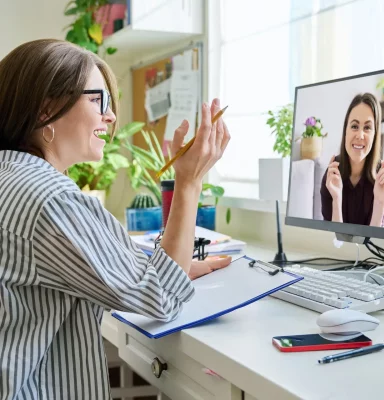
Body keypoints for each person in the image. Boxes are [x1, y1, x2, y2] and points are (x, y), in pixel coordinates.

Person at [0, 39, 231, 400]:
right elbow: (160, 298)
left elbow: (103, 262)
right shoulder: (52, 200)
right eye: (97, 100)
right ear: (46, 107)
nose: (109, 116)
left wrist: (175, 264)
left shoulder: (11, 177)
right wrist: (189, 182)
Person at [321, 92, 384, 227]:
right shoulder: (332, 174)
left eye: (367, 128)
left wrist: (380, 201)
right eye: (354, 126)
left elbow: (374, 242)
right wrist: (336, 198)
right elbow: (332, 241)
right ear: (346, 131)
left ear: (375, 134)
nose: (360, 135)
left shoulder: (382, 178)